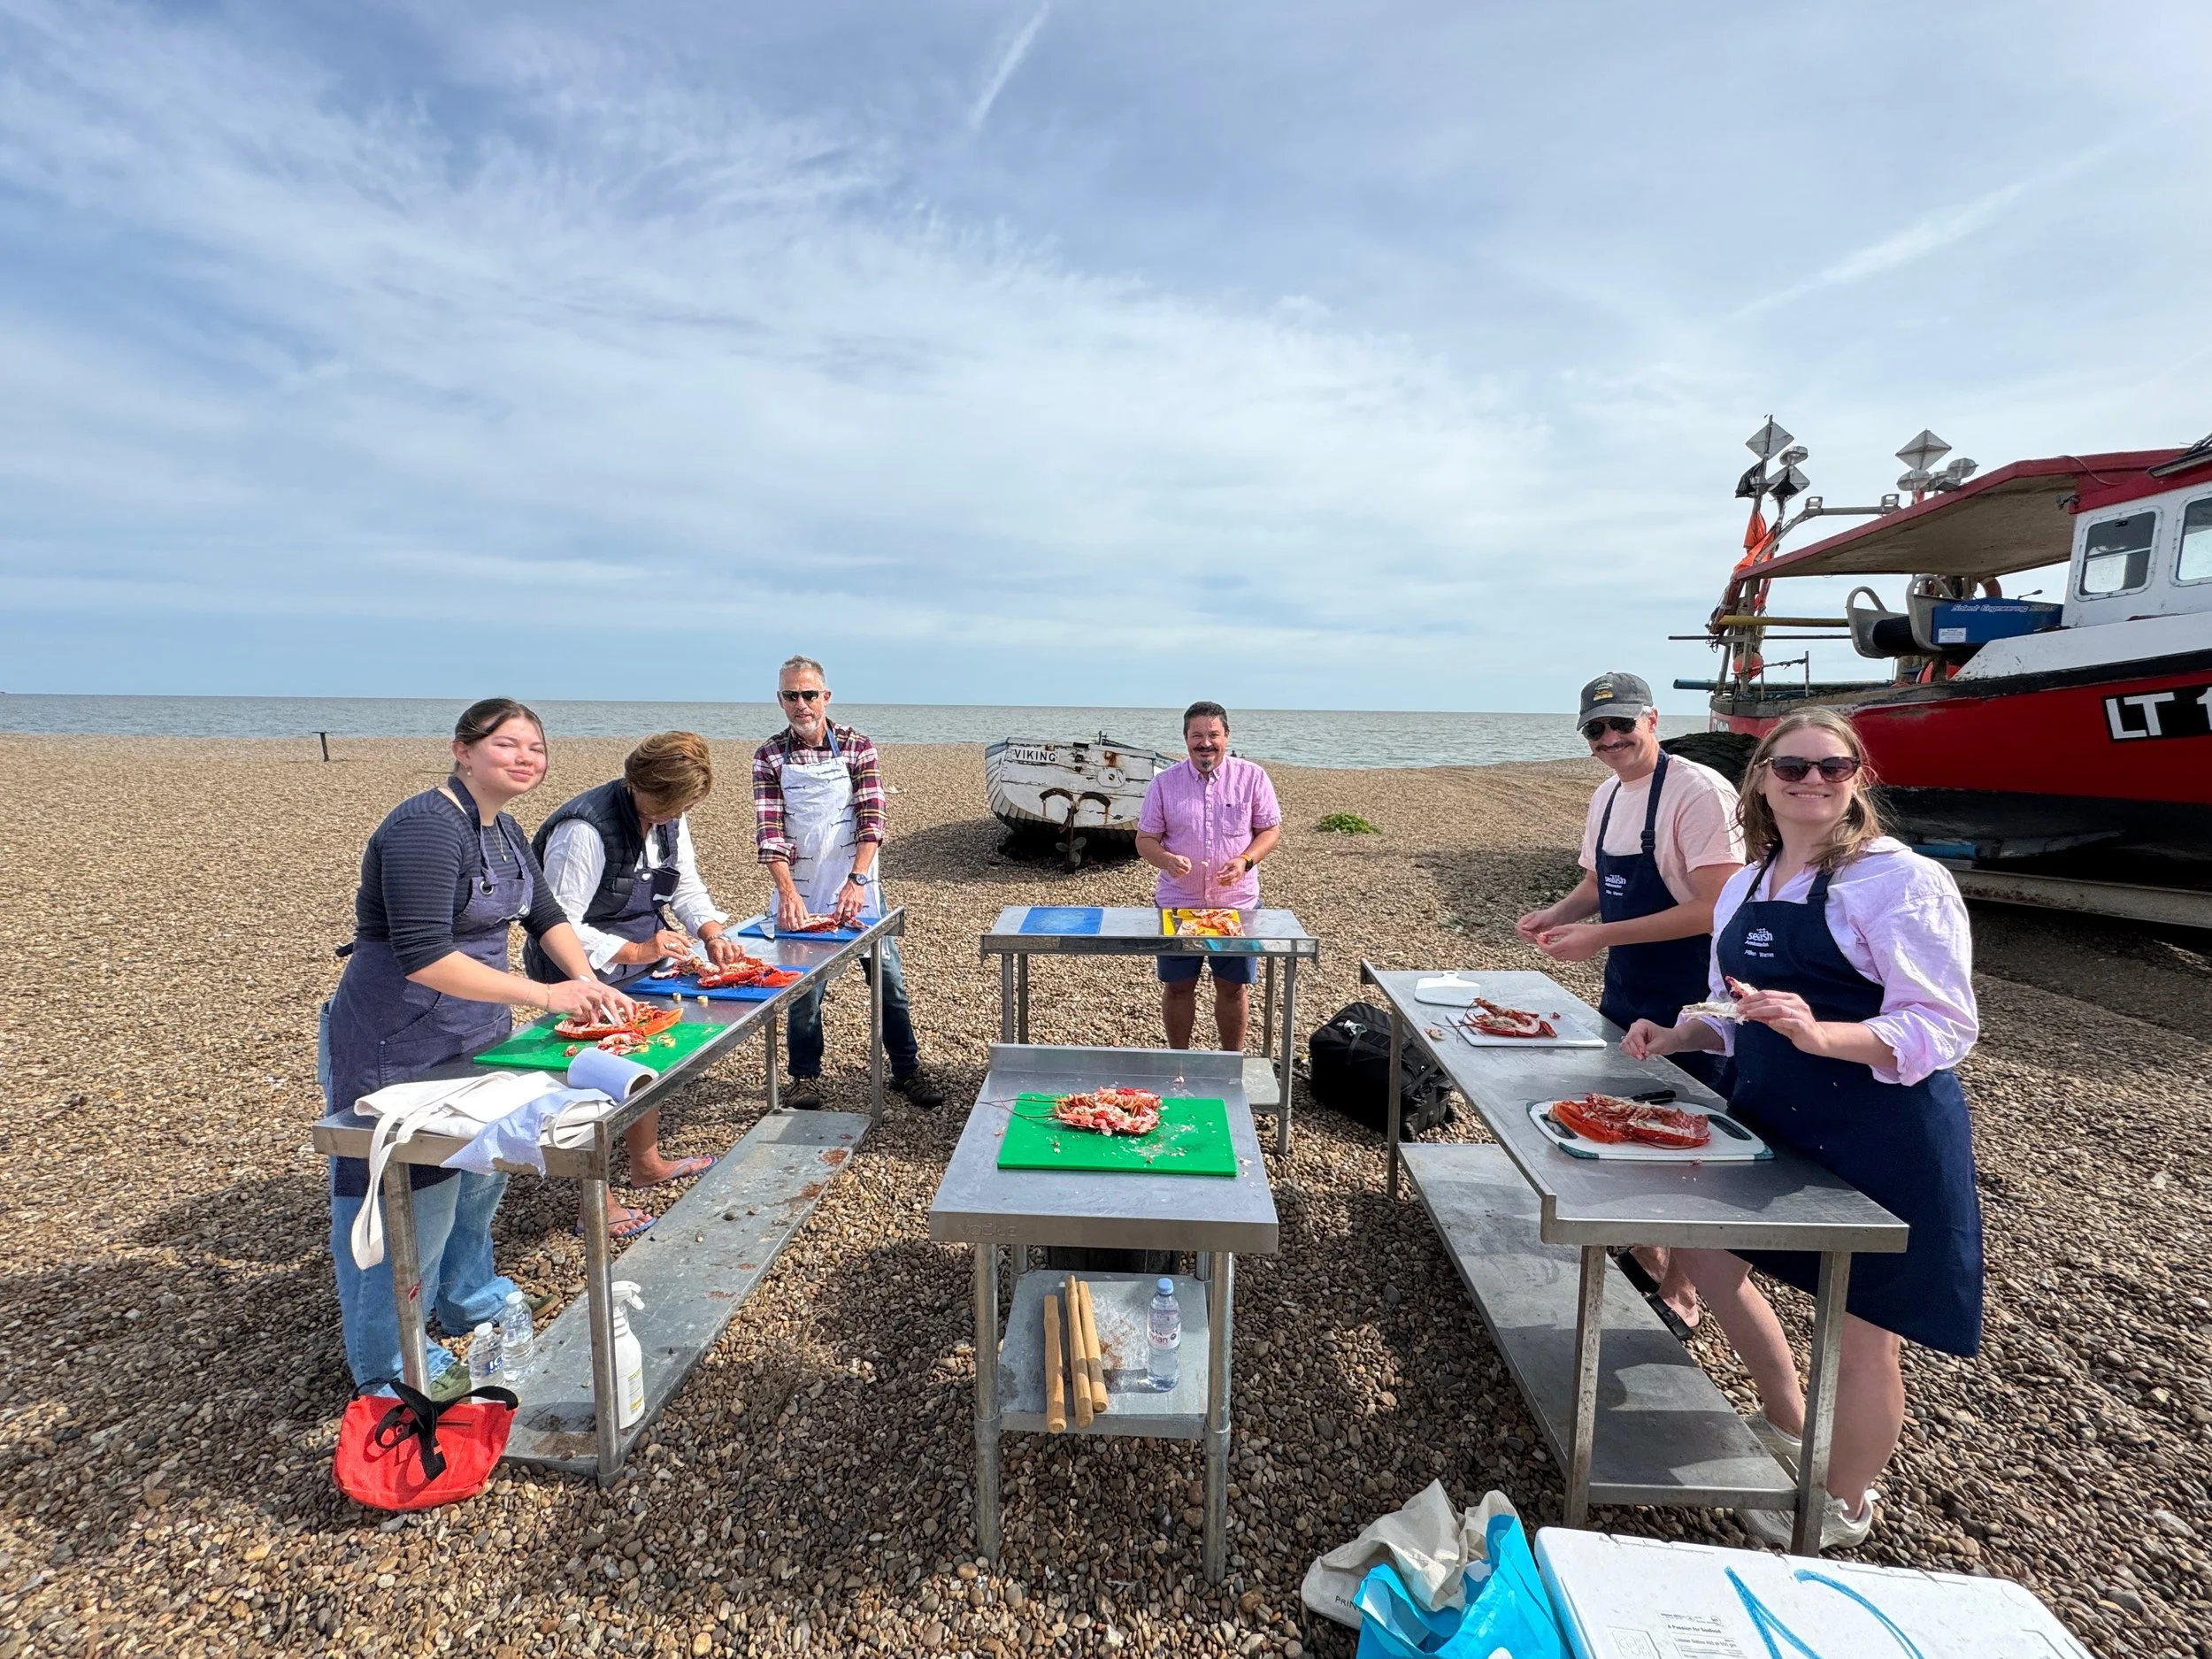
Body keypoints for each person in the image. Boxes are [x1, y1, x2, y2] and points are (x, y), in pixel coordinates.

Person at [1623, 707, 1983, 1551]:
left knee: (1859, 1331)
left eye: (1833, 766)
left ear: (1859, 776)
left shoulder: (1901, 880)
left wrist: (1823, 1033)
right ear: (1763, 781)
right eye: (1793, 768)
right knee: (1707, 1259)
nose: (1813, 781)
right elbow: (1732, 1007)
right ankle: (1786, 1419)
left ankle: (1842, 1504)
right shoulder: (1748, 884)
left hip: (1881, 1129)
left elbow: (1943, 1025)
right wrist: (1681, 1031)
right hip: (1773, 1121)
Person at [321, 700, 634, 1397]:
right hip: (398, 1037)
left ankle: (468, 1296)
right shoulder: (426, 828)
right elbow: (425, 955)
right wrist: (548, 996)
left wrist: (586, 979)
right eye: (507, 744)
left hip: (481, 1032)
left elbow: (547, 913)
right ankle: (391, 1361)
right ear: (462, 750)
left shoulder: (506, 826)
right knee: (408, 1189)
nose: (526, 757)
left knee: (481, 1172)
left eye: (536, 747)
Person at [1515, 672, 1745, 1329]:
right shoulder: (1609, 797)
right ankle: (1648, 1244)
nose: (1611, 738)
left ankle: (1683, 1289)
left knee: (1696, 1136)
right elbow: (1596, 882)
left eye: (1621, 724)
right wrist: (1556, 914)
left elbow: (1712, 909)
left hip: (1696, 993)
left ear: (1652, 718)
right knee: (1628, 1115)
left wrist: (1601, 935)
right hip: (1627, 983)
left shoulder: (1699, 791)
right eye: (1596, 729)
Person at [528, 730, 737, 1238]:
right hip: (577, 969)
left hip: (641, 960)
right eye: (665, 805)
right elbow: (556, 920)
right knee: (589, 1079)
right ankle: (595, 1201)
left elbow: (683, 882)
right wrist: (635, 951)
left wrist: (709, 930)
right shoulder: (584, 831)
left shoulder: (669, 815)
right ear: (639, 784)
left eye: (681, 806)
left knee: (646, 1056)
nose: (671, 815)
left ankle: (646, 1164)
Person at [751, 656, 941, 1110]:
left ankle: (906, 1068)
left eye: (809, 695)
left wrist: (856, 879)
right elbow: (769, 831)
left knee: (888, 981)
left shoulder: (858, 746)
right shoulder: (768, 756)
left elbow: (872, 819)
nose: (802, 704)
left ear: (826, 697)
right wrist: (787, 892)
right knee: (802, 988)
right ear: (780, 701)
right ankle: (804, 1078)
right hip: (801, 887)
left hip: (860, 886)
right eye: (792, 696)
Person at [1135, 702, 1283, 1051]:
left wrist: (1246, 860)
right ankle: (1178, 1061)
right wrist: (1167, 859)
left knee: (1232, 987)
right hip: (1178, 905)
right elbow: (1145, 840)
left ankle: (1230, 1062)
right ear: (1186, 738)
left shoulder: (1252, 777)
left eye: (1213, 735)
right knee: (1178, 986)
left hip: (1236, 906)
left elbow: (1270, 832)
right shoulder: (1163, 784)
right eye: (1197, 735)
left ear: (1226, 737)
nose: (1205, 743)